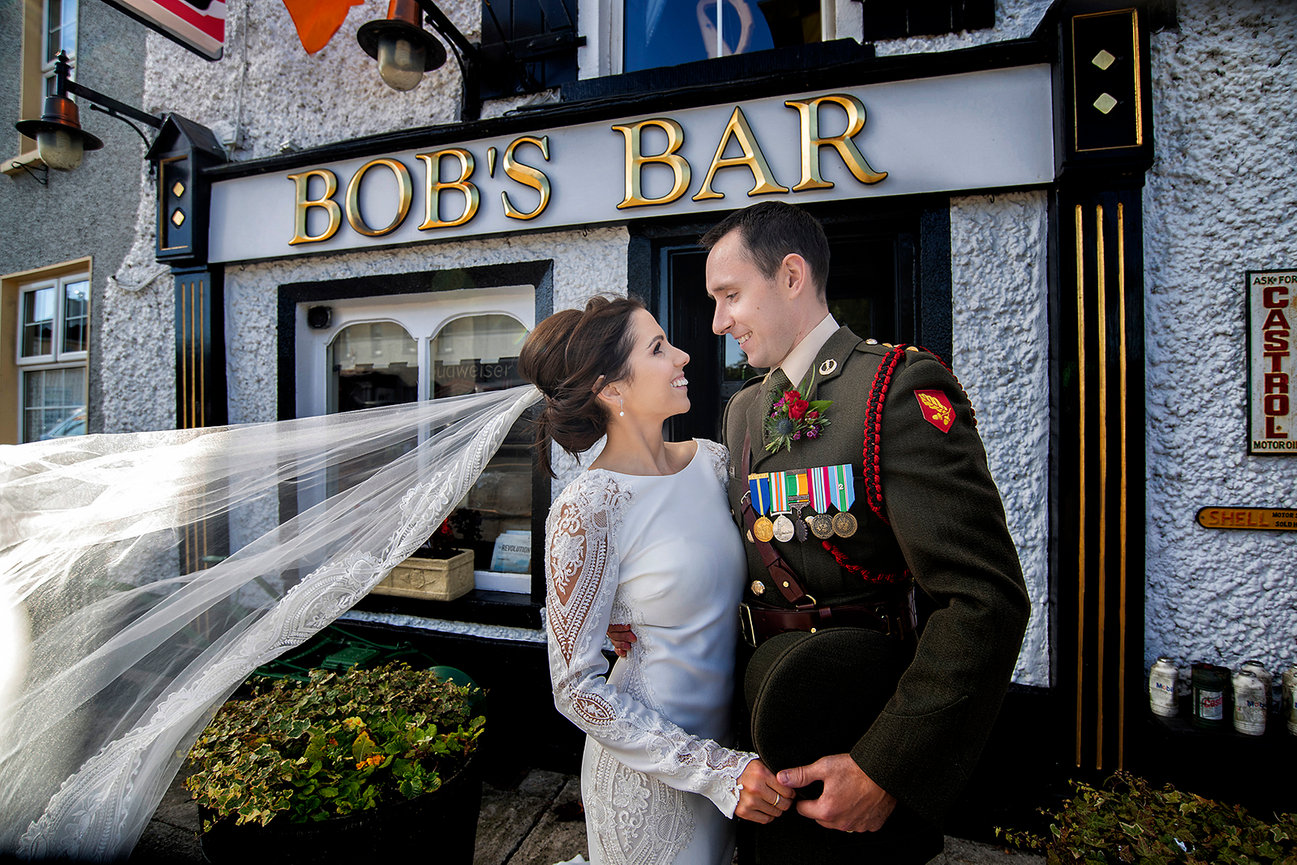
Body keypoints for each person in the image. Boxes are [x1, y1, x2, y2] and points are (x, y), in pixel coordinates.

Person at [612, 201, 1030, 864]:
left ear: (790, 275)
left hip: (854, 724)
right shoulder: (746, 408)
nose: (718, 322)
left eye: (728, 295)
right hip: (755, 723)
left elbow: (984, 599)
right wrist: (636, 608)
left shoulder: (893, 388)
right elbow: (733, 549)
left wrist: (883, 768)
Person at [518, 295, 795, 865]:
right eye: (658, 348)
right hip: (652, 782)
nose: (684, 356)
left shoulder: (713, 463)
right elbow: (575, 688)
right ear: (611, 389)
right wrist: (716, 770)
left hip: (739, 750)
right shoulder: (588, 507)